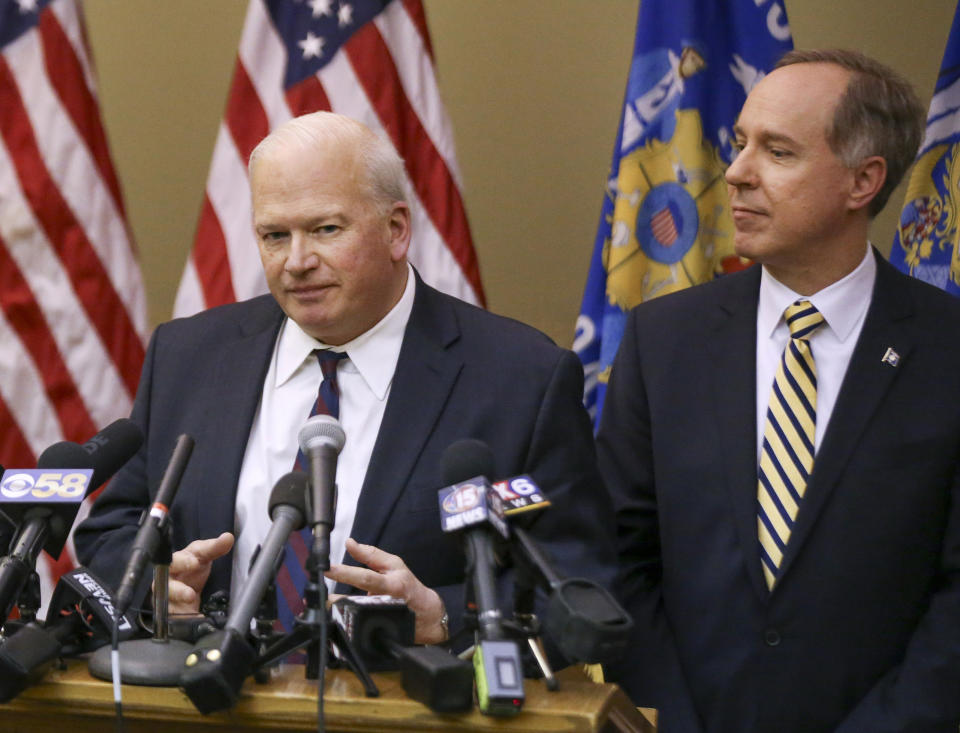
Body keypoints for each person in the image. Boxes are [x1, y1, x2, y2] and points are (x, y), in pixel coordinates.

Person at [75, 111, 616, 652]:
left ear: (396, 230)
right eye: (274, 235)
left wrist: (444, 617)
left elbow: (577, 583)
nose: (297, 261)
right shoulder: (189, 356)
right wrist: (153, 581)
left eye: (325, 229)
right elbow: (113, 528)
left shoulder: (521, 379)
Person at [598, 49, 960, 732]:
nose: (735, 172)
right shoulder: (662, 342)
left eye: (778, 151)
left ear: (863, 181)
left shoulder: (948, 351)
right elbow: (619, 562)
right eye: (739, 144)